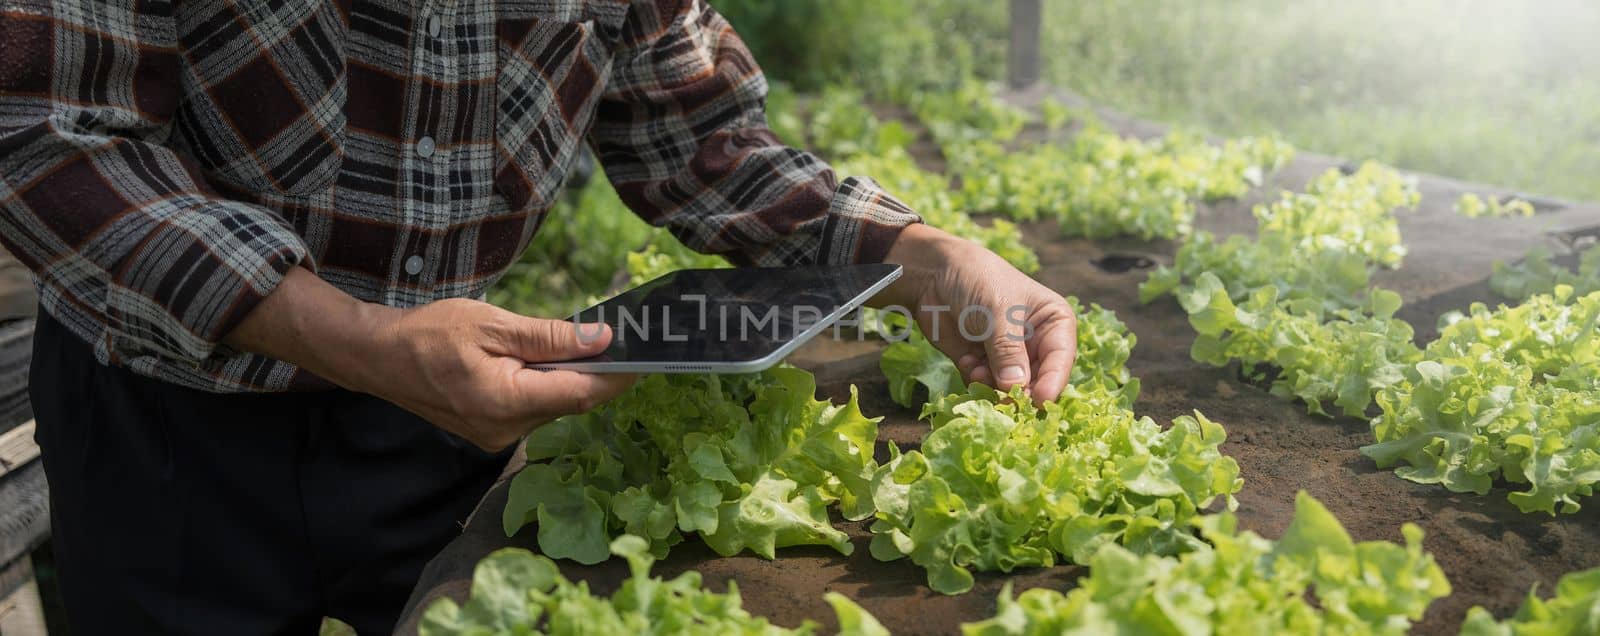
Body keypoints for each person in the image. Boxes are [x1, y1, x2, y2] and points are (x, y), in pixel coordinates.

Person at [0, 0, 1078, 633]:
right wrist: (356, 337)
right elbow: (51, 134)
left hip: (447, 413)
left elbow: (695, 141)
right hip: (163, 420)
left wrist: (923, 252)